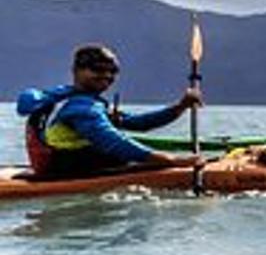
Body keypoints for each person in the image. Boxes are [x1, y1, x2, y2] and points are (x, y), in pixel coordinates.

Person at [15, 43, 202, 178]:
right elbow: (113, 143)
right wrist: (172, 160)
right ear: (76, 70)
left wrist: (181, 106)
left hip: (49, 166)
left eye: (112, 71)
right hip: (64, 170)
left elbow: (139, 123)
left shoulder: (66, 96)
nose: (106, 76)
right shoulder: (82, 107)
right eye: (97, 69)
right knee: (122, 153)